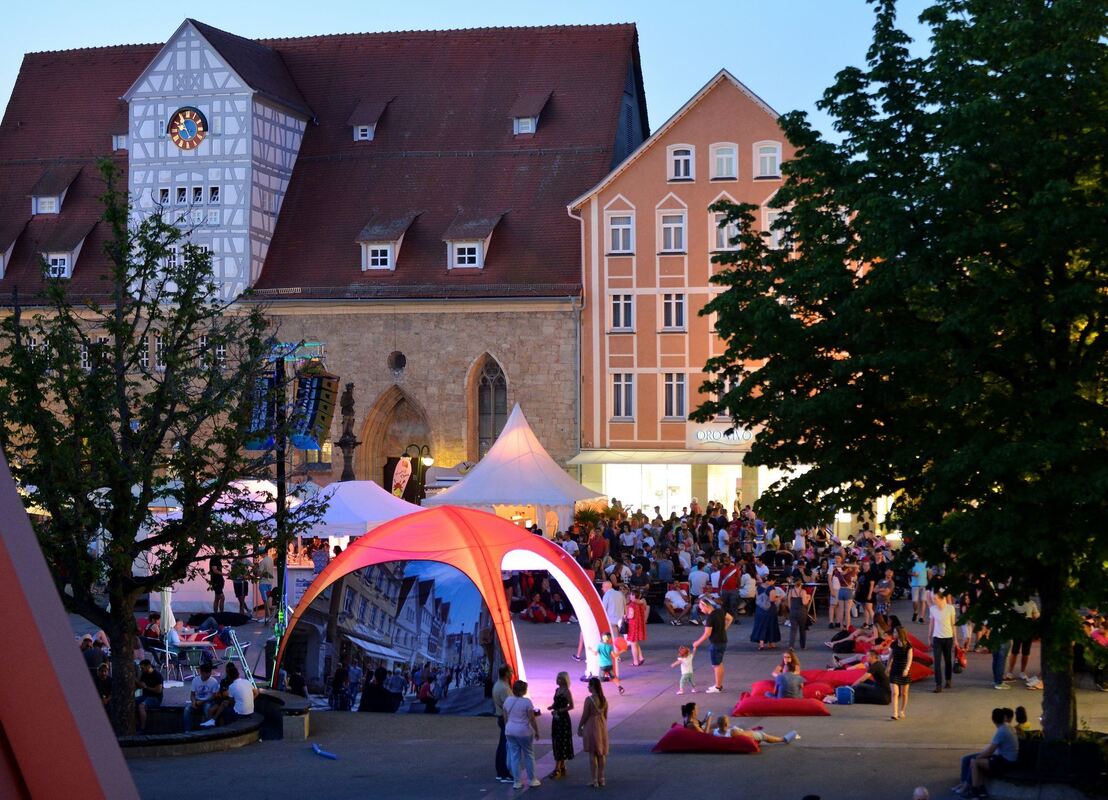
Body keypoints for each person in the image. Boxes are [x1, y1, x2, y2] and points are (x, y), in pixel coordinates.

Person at [952, 708, 1019, 798]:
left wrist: (978, 757)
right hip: (1006, 759)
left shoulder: (1001, 731)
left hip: (1005, 762)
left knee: (974, 762)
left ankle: (974, 790)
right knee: (968, 759)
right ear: (1004, 718)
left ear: (992, 719)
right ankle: (973, 787)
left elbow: (990, 751)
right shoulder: (1007, 727)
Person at [503, 680, 540, 789]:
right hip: (523, 732)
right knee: (529, 754)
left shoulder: (508, 700)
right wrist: (537, 731)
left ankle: (517, 782)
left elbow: (505, 717)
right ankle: (532, 780)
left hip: (510, 731)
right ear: (524, 690)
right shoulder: (527, 702)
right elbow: (532, 719)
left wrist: (508, 728)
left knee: (515, 757)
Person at [692, 596, 733, 693]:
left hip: (716, 643)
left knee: (716, 665)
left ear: (705, 605)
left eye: (701, 608)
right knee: (719, 663)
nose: (701, 611)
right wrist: (724, 628)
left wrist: (697, 643)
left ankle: (718, 687)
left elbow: (707, 633)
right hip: (723, 641)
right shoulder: (719, 611)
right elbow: (730, 618)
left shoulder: (710, 618)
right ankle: (718, 685)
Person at [578, 677, 609, 788]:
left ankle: (594, 779)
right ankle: (602, 778)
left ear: (593, 686)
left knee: (593, 753)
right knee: (601, 753)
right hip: (602, 726)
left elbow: (585, 715)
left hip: (591, 726)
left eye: (589, 685)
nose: (588, 687)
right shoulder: (604, 699)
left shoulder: (589, 700)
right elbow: (605, 715)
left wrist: (580, 726)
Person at [929, 590, 960, 692]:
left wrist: (955, 640)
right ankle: (938, 684)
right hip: (937, 638)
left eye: (935, 599)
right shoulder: (932, 609)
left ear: (942, 599)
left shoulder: (950, 608)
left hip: (948, 638)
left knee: (947, 660)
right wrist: (929, 636)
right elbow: (931, 623)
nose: (934, 601)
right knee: (937, 662)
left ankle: (948, 680)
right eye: (933, 599)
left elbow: (953, 624)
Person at [546, 672, 574, 780]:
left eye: (560, 679)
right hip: (556, 718)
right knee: (557, 740)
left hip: (563, 719)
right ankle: (561, 765)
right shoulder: (557, 690)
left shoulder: (567, 691)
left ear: (564, 680)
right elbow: (555, 702)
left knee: (561, 741)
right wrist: (552, 707)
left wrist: (559, 710)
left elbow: (571, 706)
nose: (557, 680)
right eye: (557, 678)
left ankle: (557, 767)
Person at [492, 665, 514, 783]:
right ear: (506, 673)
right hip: (505, 719)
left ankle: (501, 772)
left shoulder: (499, 684)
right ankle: (503, 773)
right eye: (510, 671)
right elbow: (509, 706)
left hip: (501, 717)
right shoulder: (504, 688)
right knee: (505, 746)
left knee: (502, 745)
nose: (512, 673)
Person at [711, 714, 798, 744]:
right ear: (726, 724)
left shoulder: (713, 732)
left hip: (729, 731)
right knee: (763, 735)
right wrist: (754, 731)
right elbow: (748, 734)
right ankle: (782, 739)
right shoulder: (733, 732)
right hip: (743, 735)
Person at [183, 662, 220, 730]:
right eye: (207, 673)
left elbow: (214, 696)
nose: (209, 675)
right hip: (197, 700)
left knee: (207, 709)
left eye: (209, 673)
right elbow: (192, 694)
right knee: (187, 710)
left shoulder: (214, 681)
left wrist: (203, 701)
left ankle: (206, 729)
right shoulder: (195, 680)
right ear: (202, 673)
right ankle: (187, 730)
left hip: (208, 701)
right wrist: (193, 702)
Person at [889, 625, 914, 720]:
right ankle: (894, 713)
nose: (894, 634)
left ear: (900, 634)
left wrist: (907, 669)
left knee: (904, 693)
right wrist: (888, 667)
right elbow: (890, 656)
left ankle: (902, 711)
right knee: (895, 693)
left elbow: (910, 659)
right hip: (894, 670)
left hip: (904, 670)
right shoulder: (893, 644)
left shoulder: (908, 646)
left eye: (895, 632)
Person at [751, 577, 782, 650]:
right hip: (769, 609)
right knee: (771, 625)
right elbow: (772, 599)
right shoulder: (771, 588)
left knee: (761, 625)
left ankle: (761, 644)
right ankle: (771, 643)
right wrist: (778, 598)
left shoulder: (758, 587)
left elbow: (757, 598)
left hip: (760, 609)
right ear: (771, 580)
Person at [135, 659, 163, 732]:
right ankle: (136, 722)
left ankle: (143, 728)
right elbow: (140, 685)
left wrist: (146, 687)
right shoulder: (144, 674)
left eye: (142, 668)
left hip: (155, 698)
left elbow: (158, 690)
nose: (141, 670)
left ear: (148, 666)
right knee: (133, 701)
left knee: (141, 705)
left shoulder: (157, 675)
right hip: (145, 696)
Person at [785, 576, 811, 650]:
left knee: (793, 630)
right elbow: (804, 602)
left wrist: (791, 610)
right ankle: (802, 645)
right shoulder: (803, 592)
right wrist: (808, 598)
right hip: (802, 612)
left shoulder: (791, 591)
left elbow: (789, 603)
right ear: (801, 584)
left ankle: (791, 646)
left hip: (793, 611)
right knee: (802, 629)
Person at [625, 589, 648, 666]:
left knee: (633, 644)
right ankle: (641, 657)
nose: (629, 596)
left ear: (634, 595)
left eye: (631, 595)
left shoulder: (631, 605)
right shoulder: (642, 603)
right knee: (636, 642)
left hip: (633, 626)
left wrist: (625, 616)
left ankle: (635, 661)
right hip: (639, 624)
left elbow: (631, 616)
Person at [910, 555, 930, 623]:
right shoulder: (913, 563)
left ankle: (921, 617)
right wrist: (913, 574)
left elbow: (929, 573)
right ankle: (915, 612)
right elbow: (908, 572)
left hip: (924, 584)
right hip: (915, 584)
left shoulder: (926, 563)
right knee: (914, 601)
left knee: (923, 601)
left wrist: (930, 583)